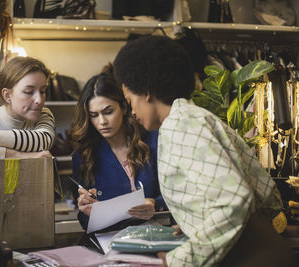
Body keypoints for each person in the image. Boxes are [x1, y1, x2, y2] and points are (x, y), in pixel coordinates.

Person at [113, 35, 297, 266]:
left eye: (130, 101)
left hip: (248, 255)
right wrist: (198, 224)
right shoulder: (196, 118)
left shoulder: (182, 125)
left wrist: (180, 259)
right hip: (260, 247)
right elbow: (265, 193)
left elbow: (233, 201)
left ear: (147, 91)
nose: (132, 112)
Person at [71, 65, 166, 230]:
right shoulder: (84, 156)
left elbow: (179, 195)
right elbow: (84, 222)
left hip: (159, 236)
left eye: (108, 111)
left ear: (123, 107)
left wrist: (154, 203)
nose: (102, 122)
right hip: (111, 243)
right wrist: (87, 210)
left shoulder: (154, 141)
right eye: (94, 115)